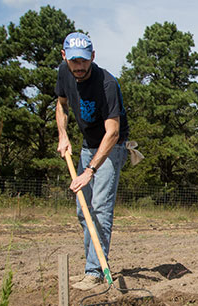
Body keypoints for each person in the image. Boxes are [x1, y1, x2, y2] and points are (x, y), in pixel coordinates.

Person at [55, 32, 130, 290]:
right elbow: (62, 104)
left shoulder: (107, 84)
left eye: (84, 61)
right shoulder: (64, 74)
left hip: (112, 146)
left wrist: (89, 171)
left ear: (93, 57)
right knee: (82, 209)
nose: (79, 67)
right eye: (74, 61)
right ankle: (92, 264)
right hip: (88, 145)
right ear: (64, 57)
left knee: (99, 207)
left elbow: (113, 132)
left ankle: (95, 270)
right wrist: (63, 135)